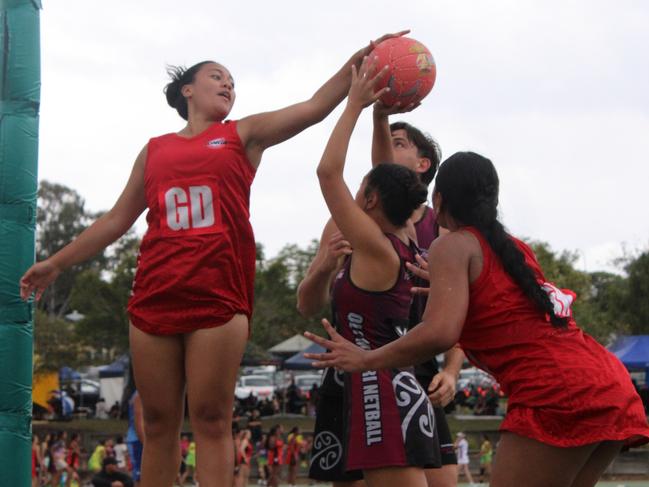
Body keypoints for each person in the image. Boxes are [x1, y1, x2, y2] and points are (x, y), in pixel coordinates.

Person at [19, 30, 407, 487]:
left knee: (210, 419)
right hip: (154, 298)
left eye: (232, 81)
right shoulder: (155, 149)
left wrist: (357, 65)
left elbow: (313, 107)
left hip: (218, 301)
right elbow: (116, 221)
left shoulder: (243, 135)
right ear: (187, 90)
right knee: (159, 424)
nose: (227, 85)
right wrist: (57, 262)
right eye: (216, 76)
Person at [304, 151, 649, 487]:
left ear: (437, 200)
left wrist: (366, 358)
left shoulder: (452, 245)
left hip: (557, 392)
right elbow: (507, 309)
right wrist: (446, 287)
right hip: (608, 383)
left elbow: (439, 333)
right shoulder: (512, 248)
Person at [297, 85, 460, 487]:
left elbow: (327, 173)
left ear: (369, 200)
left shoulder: (375, 247)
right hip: (397, 378)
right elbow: (391, 178)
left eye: (362, 188)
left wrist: (355, 102)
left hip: (377, 386)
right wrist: (379, 117)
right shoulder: (404, 234)